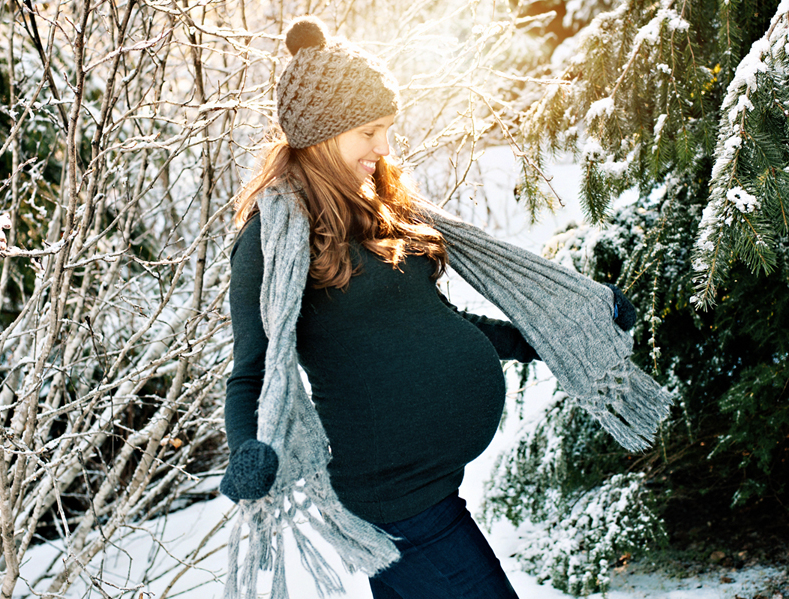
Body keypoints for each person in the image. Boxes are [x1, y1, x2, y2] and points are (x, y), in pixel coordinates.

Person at [219, 15, 640, 599]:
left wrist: (549, 333)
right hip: (394, 498)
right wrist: (247, 449)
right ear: (322, 134)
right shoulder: (271, 239)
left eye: (387, 128)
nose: (384, 147)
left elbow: (427, 321)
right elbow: (252, 372)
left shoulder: (377, 208)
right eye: (369, 131)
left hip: (431, 485)